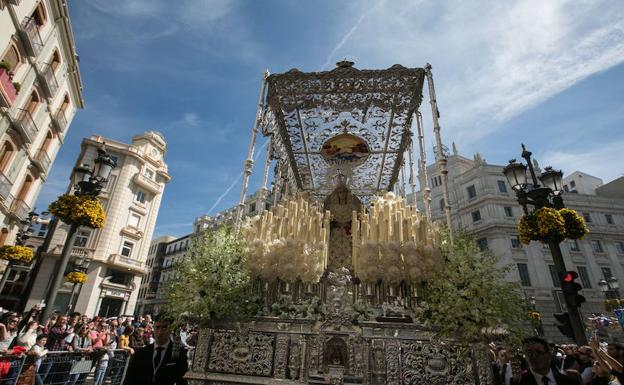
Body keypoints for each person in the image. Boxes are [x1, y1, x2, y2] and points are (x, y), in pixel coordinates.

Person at [124, 314, 188, 385]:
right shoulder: (141, 353)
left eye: (164, 327)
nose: (160, 332)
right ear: (153, 328)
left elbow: (182, 380)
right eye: (157, 327)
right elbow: (129, 379)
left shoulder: (179, 353)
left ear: (170, 329)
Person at [512, 336, 581, 385]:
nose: (534, 356)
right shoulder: (519, 382)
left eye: (538, 352)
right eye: (529, 353)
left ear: (548, 354)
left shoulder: (569, 380)